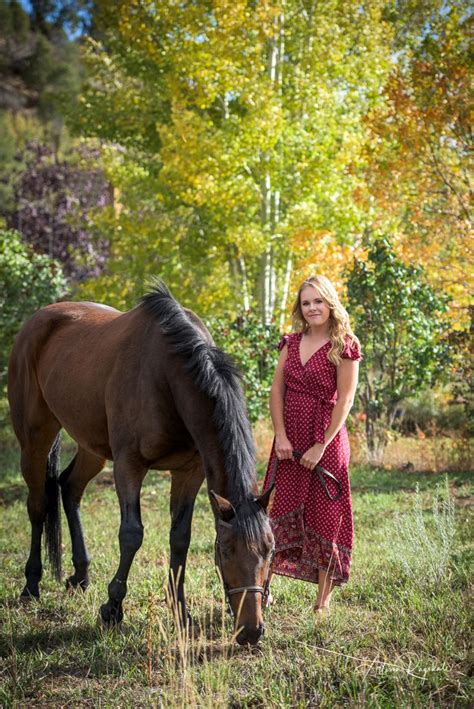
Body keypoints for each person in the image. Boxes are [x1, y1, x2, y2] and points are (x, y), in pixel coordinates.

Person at [262, 274, 361, 615]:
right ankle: (262, 591)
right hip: (288, 440)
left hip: (327, 442)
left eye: (318, 301)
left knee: (325, 517)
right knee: (275, 514)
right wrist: (281, 435)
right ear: (299, 308)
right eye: (306, 303)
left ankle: (322, 605)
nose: (312, 308)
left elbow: (345, 400)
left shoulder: (344, 344)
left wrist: (321, 444)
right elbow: (277, 391)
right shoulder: (290, 342)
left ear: (329, 302)